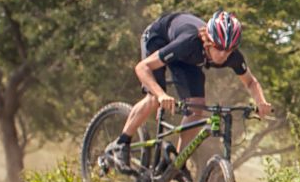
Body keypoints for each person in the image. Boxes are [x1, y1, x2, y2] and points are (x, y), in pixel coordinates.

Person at [104, 10, 273, 171]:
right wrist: (161, 95)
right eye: (219, 48)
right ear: (208, 40)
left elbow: (250, 82)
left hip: (187, 59)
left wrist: (261, 102)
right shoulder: (188, 42)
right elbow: (142, 67)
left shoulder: (232, 56)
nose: (223, 55)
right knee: (154, 98)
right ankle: (121, 143)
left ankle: (177, 163)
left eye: (229, 50)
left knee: (197, 108)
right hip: (159, 39)